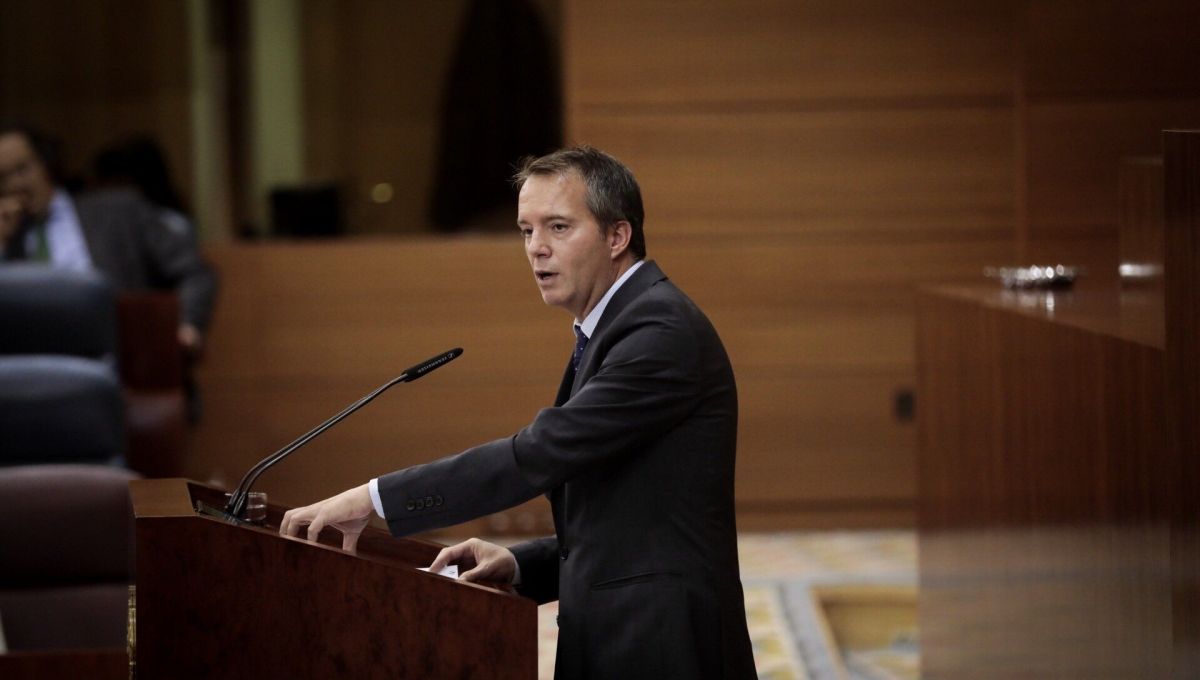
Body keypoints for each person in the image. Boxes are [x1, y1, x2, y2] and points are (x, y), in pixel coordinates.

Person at [280, 146, 757, 679]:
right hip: (632, 631)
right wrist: (520, 564)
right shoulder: (617, 326)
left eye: (558, 227)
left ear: (617, 236)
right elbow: (631, 520)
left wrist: (374, 499)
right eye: (527, 230)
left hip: (666, 647)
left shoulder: (658, 333)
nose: (536, 248)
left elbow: (538, 454)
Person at [0, 122, 216, 352]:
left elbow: (194, 272)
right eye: (2, 177)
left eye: (22, 170)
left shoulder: (118, 211)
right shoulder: (8, 240)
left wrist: (187, 325)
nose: (15, 185)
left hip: (118, 349)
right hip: (37, 358)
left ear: (46, 164)